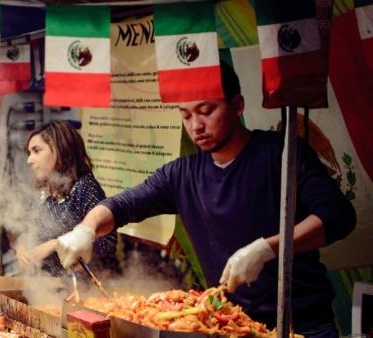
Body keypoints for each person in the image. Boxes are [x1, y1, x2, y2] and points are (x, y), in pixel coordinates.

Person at [55, 62, 356, 336]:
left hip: (303, 326)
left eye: (206, 111)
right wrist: (87, 228)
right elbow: (124, 205)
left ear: (237, 105)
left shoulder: (281, 153)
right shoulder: (183, 174)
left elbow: (338, 215)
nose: (196, 126)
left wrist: (267, 249)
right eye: (186, 115)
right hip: (232, 326)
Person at [14, 120, 118, 277]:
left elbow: (106, 244)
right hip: (48, 287)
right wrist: (21, 246)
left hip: (84, 291)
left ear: (59, 149)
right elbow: (27, 229)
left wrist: (56, 244)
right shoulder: (45, 190)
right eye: (29, 153)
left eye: (37, 151)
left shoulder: (85, 187)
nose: (30, 160)